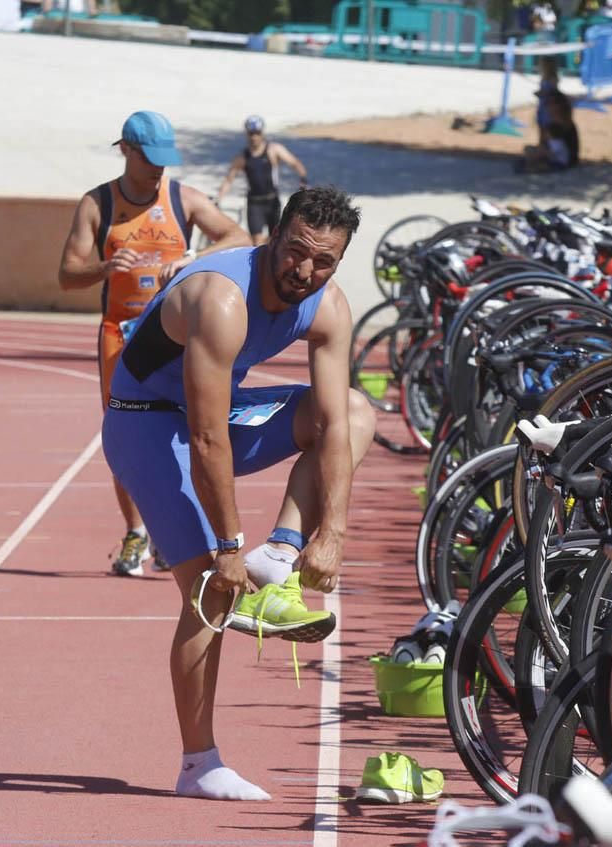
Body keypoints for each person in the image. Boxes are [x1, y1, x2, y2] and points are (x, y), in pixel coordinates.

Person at [102, 185, 376, 801]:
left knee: (356, 414)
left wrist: (328, 535)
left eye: (324, 260)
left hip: (213, 416)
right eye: (296, 252)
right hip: (146, 423)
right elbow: (204, 439)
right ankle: (198, 765)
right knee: (210, 593)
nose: (305, 270)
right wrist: (227, 546)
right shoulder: (222, 298)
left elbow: (332, 425)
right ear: (272, 238)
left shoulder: (328, 306)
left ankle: (276, 556)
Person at [56, 111, 250, 577]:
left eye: (166, 160)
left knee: (188, 429)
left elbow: (238, 236)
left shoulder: (182, 198)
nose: (159, 169)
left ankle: (171, 532)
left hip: (175, 336)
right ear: (126, 150)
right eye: (150, 159)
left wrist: (192, 260)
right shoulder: (97, 203)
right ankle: (136, 533)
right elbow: (66, 275)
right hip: (119, 332)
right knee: (126, 435)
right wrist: (103, 268)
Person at [216, 116, 309, 246]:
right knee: (256, 242)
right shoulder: (242, 157)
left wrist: (303, 180)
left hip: (272, 201)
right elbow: (229, 179)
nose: (254, 137)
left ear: (262, 133)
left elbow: (294, 163)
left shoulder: (273, 150)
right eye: (251, 133)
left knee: (275, 240)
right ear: (247, 134)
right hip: (254, 203)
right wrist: (218, 199)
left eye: (257, 133)